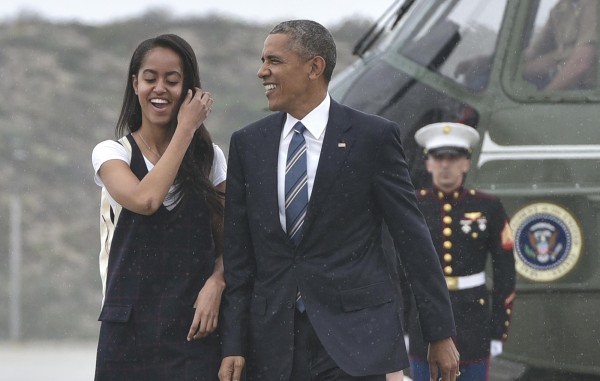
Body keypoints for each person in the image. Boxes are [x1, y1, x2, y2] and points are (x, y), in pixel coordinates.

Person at [218, 20, 460, 381]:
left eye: (274, 61)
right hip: (274, 343)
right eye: (262, 60)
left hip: (357, 339)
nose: (261, 71)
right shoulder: (247, 145)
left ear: (314, 67)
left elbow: (412, 238)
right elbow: (239, 256)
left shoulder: (372, 137)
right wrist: (234, 344)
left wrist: (439, 332)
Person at [91, 34, 226, 380]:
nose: (160, 88)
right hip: (127, 333)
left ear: (189, 89)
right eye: (150, 78)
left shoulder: (211, 161)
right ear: (135, 84)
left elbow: (233, 242)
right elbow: (145, 200)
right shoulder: (112, 153)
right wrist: (187, 127)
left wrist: (218, 281)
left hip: (194, 333)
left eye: (173, 80)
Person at [406, 123, 516, 381]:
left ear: (466, 163)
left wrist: (498, 329)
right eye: (438, 158)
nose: (446, 165)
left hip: (473, 323)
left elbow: (505, 271)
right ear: (429, 164)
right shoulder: (412, 206)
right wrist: (401, 325)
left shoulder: (488, 206)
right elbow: (398, 270)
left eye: (453, 158)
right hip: (424, 322)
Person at [521, 0, 597, 91]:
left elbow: (580, 63)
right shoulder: (561, 8)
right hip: (562, 77)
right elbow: (534, 50)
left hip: (587, 90)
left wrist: (546, 96)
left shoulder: (593, 4)